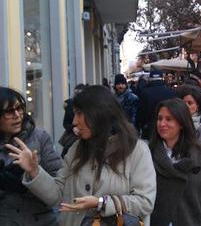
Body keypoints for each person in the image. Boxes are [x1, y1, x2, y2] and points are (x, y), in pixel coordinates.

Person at [6, 85, 156, 225]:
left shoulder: (137, 151)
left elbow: (145, 202)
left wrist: (101, 203)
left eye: (79, 113)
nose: (74, 121)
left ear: (99, 114)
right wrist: (34, 171)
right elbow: (57, 196)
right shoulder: (76, 148)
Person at [149, 99, 201, 226]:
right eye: (159, 118)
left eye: (169, 119)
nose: (162, 124)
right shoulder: (148, 155)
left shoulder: (198, 156)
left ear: (182, 123)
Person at [0, 87, 62, 225]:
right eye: (9, 112)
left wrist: (33, 175)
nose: (17, 115)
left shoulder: (40, 137)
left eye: (19, 108)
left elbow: (59, 191)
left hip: (41, 221)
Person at [136, 70, 176, 140]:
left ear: (150, 79)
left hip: (150, 129)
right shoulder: (171, 92)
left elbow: (140, 113)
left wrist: (140, 126)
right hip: (168, 127)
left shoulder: (145, 93)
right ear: (162, 78)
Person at [59, 83, 88, 158]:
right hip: (73, 139)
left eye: (80, 93)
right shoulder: (70, 106)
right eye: (76, 93)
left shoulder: (89, 107)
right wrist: (73, 128)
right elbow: (65, 123)